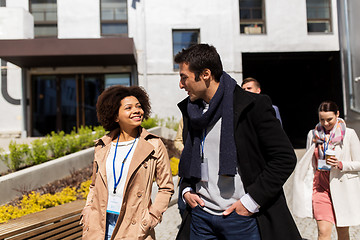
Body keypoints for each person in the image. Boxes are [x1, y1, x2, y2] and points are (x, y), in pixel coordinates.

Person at [174, 43, 301, 240]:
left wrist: (251, 202)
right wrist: (187, 189)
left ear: (206, 74)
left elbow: (284, 158)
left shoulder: (253, 106)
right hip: (201, 216)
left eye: (184, 77)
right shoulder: (193, 112)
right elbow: (192, 157)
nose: (181, 85)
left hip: (241, 217)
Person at [80, 85, 174, 240]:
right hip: (100, 223)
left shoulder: (154, 145)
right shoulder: (103, 145)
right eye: (128, 108)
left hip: (134, 224)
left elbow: (166, 187)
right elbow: (94, 185)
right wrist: (88, 208)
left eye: (138, 106)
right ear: (115, 116)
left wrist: (152, 217)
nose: (137, 111)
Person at [293, 101, 360, 240]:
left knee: (342, 233)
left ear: (337, 114)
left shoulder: (349, 134)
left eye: (329, 119)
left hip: (342, 188)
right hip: (320, 189)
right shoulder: (313, 135)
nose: (325, 123)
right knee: (323, 232)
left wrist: (341, 164)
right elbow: (309, 162)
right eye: (321, 119)